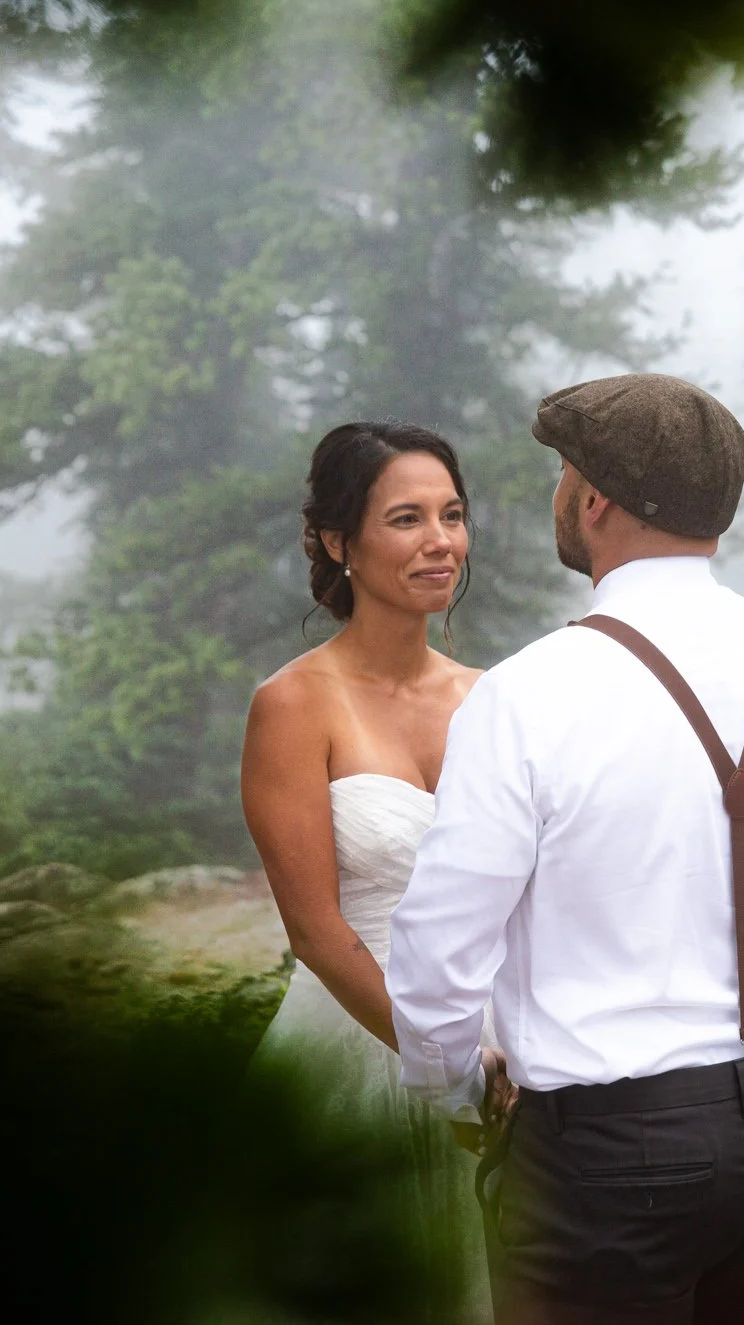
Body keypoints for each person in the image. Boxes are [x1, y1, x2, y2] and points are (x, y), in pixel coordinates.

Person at [387, 373, 744, 1325]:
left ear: (595, 498)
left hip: (607, 1158)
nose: (559, 493)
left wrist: (456, 1089)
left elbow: (439, 952)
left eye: (563, 474)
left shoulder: (528, 693)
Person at [240, 419, 494, 1319]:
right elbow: (314, 929)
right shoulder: (291, 705)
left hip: (499, 1037)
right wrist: (447, 1062)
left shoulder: (490, 699)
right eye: (406, 518)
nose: (440, 541)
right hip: (354, 1040)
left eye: (452, 515)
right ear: (338, 541)